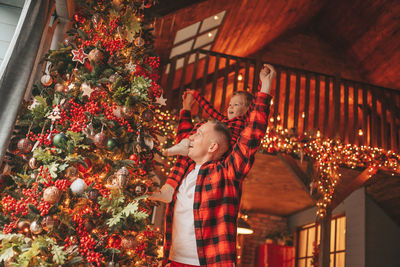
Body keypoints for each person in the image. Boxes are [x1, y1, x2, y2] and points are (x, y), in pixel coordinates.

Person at [158, 64, 276, 267]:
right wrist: (186, 108)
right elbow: (184, 135)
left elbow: (252, 135)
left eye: (199, 134)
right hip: (172, 258)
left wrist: (264, 88)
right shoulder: (184, 169)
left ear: (212, 146)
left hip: (206, 261)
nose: (192, 137)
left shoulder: (224, 173)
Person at [150, 70, 265, 203]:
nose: (231, 107)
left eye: (236, 104)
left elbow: (257, 103)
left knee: (189, 150)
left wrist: (263, 83)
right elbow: (210, 110)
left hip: (223, 155)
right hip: (207, 154)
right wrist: (196, 97)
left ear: (246, 109)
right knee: (184, 158)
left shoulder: (245, 122)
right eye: (230, 105)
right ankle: (168, 188)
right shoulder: (222, 121)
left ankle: (183, 146)